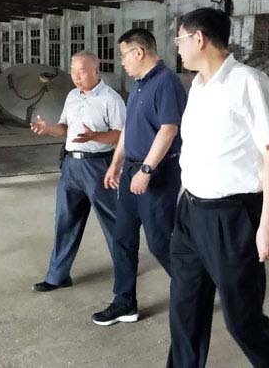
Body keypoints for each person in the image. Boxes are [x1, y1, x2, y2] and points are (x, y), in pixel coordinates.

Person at [167, 8, 269, 368]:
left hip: (232, 217)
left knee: (243, 320)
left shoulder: (248, 82)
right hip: (190, 213)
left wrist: (266, 226)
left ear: (199, 39)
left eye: (180, 39)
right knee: (185, 312)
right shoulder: (196, 86)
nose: (177, 47)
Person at [91, 28, 186, 326]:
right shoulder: (138, 85)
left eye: (123, 56)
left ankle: (195, 292)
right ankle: (124, 303)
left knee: (160, 242)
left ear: (139, 52)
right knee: (123, 239)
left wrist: (146, 170)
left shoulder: (167, 82)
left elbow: (168, 130)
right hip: (131, 172)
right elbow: (129, 129)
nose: (122, 62)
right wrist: (116, 164)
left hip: (157, 174)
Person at [30, 51, 126, 292]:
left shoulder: (111, 99)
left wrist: (95, 136)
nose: (76, 77)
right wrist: (48, 129)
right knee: (65, 221)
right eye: (73, 72)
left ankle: (126, 271)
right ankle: (57, 276)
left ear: (96, 71)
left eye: (81, 72)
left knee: (113, 222)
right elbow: (64, 128)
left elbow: (121, 135)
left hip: (98, 166)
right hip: (71, 166)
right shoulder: (72, 95)